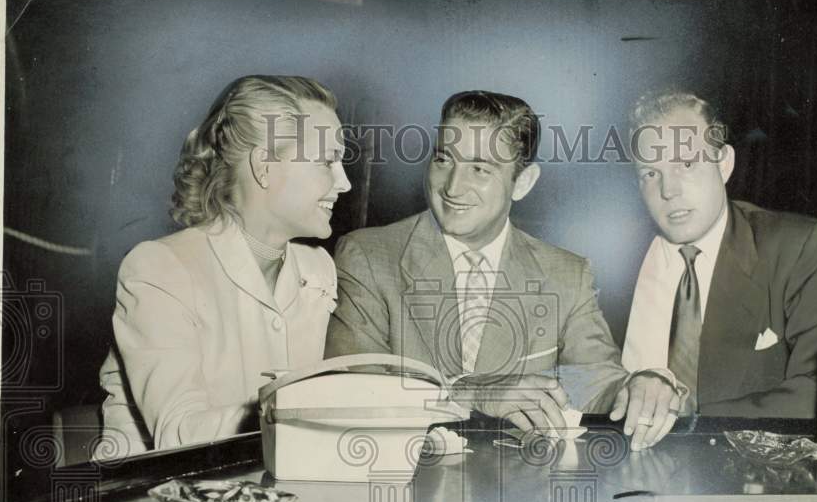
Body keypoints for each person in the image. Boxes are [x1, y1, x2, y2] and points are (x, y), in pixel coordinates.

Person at [326, 90, 659, 439]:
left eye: (480, 169)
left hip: (523, 485)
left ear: (523, 182)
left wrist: (643, 387)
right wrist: (466, 392)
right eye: (443, 160)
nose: (453, 187)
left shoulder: (566, 274)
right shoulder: (368, 257)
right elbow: (354, 392)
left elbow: (598, 382)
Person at [94, 75, 351, 457]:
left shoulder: (318, 269)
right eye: (327, 162)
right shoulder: (159, 268)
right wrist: (295, 413)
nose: (343, 182)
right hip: (153, 500)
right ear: (264, 166)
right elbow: (177, 433)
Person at [621, 90, 817, 424]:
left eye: (686, 164)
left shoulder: (797, 248)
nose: (668, 190)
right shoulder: (608, 258)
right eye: (650, 174)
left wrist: (689, 420)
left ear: (724, 164)